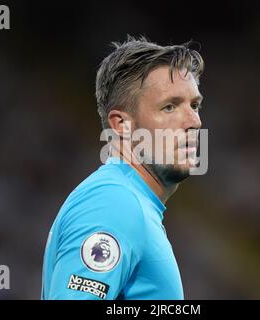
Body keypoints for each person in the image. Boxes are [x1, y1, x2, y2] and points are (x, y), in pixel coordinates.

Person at [41, 36, 205, 299]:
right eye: (170, 106)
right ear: (121, 126)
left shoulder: (132, 203)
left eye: (194, 105)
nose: (194, 121)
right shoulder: (114, 203)